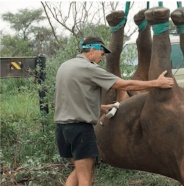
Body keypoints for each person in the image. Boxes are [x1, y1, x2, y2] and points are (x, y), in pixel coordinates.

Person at [54, 36, 174, 186]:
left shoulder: (65, 66)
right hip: (80, 130)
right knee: (86, 176)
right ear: (92, 50)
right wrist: (156, 83)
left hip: (62, 129)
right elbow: (124, 84)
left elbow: (71, 96)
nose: (101, 58)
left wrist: (100, 108)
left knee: (78, 170)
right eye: (101, 54)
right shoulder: (89, 68)